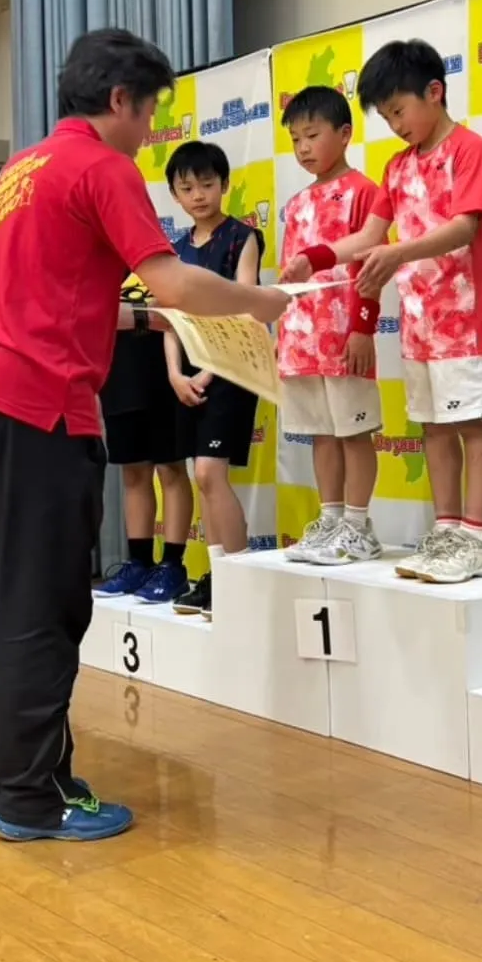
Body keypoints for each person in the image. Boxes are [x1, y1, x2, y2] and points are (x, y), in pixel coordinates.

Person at [0, 28, 289, 842]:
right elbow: (172, 278)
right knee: (43, 603)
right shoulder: (104, 166)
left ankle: (1, 781)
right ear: (121, 100)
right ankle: (36, 798)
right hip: (37, 408)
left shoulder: (22, 169)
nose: (152, 129)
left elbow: (63, 291)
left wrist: (135, 319)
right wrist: (259, 302)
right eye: (152, 110)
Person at [280, 39, 482, 584]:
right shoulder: (397, 166)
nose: (396, 125)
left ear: (435, 92)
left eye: (399, 111)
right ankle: (447, 529)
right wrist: (315, 257)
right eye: (385, 116)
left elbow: (463, 226)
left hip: (469, 318)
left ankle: (476, 536)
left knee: (474, 426)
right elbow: (369, 235)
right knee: (432, 428)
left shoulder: (469, 149)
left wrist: (399, 253)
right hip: (420, 322)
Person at [276, 85, 384, 564]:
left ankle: (359, 525)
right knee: (322, 433)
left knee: (352, 432)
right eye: (295, 139)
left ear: (344, 134)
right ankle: (331, 517)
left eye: (312, 135)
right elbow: (288, 277)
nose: (303, 148)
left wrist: (363, 326)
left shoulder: (365, 193)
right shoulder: (296, 205)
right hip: (303, 339)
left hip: (345, 336)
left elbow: (369, 264)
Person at [164, 141, 266, 614]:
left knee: (209, 472)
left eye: (207, 184)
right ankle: (217, 576)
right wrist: (174, 374)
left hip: (230, 369)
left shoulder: (241, 238)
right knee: (201, 478)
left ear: (224, 185)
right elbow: (171, 319)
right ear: (175, 195)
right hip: (187, 377)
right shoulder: (175, 250)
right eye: (187, 187)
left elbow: (247, 309)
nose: (199, 194)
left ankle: (236, 577)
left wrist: (206, 372)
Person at [94, 273, 193, 606]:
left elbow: (176, 312)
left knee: (170, 469)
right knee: (133, 472)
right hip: (119, 376)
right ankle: (139, 562)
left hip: (163, 375)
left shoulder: (163, 263)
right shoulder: (102, 266)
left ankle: (173, 566)